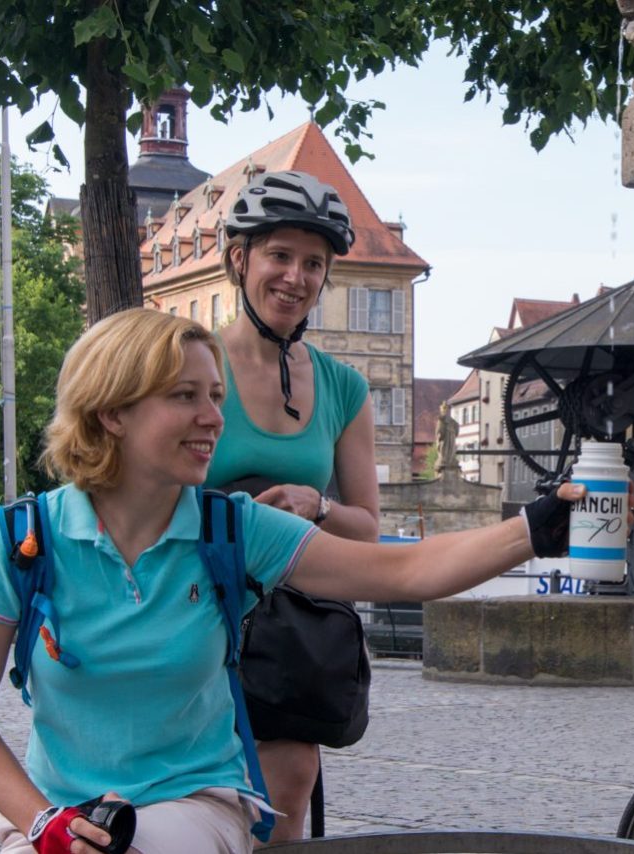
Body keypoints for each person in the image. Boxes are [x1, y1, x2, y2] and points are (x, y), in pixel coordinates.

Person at [0, 309, 580, 854]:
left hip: (194, 805)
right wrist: (43, 820)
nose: (213, 416)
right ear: (111, 412)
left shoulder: (232, 529)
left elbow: (403, 569)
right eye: (184, 396)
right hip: (58, 821)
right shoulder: (24, 542)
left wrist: (532, 529)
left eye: (215, 395)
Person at [204, 169, 380, 841]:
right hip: (190, 601)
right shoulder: (188, 360)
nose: (295, 277)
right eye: (279, 255)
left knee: (285, 790)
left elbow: (366, 530)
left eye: (314, 263)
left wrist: (318, 504)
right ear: (239, 258)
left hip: (288, 625)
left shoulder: (343, 387)